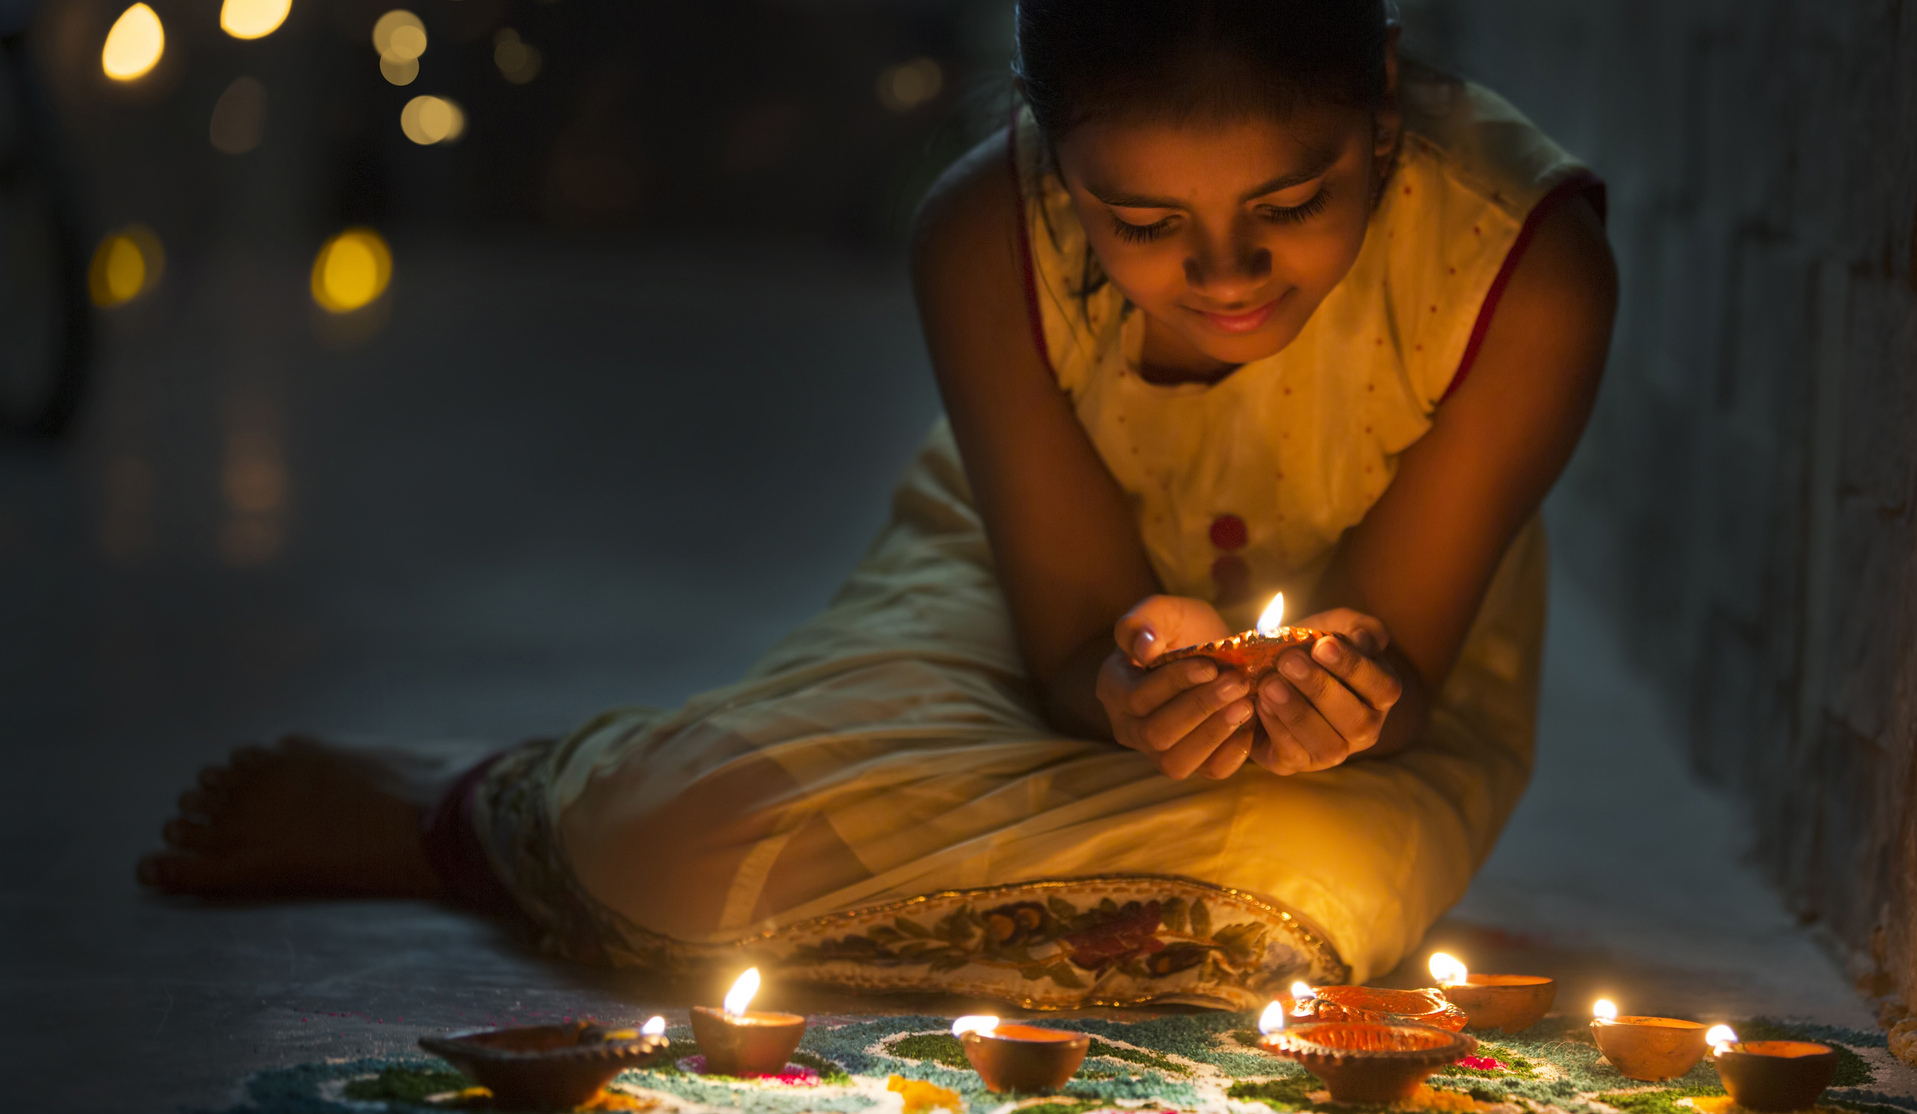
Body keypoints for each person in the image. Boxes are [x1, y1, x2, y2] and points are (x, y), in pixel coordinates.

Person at [140, 0, 1614, 1009]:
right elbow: (1057, 652)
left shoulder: (1518, 265)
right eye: (1144, 224)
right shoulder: (984, 236)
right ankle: (473, 804)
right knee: (689, 829)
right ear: (1048, 150)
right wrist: (1124, 672)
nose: (1223, 277)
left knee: (1294, 889)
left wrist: (1343, 698)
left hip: (1384, 704)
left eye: (1287, 206)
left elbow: (1410, 670)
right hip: (1015, 599)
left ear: (1378, 105)